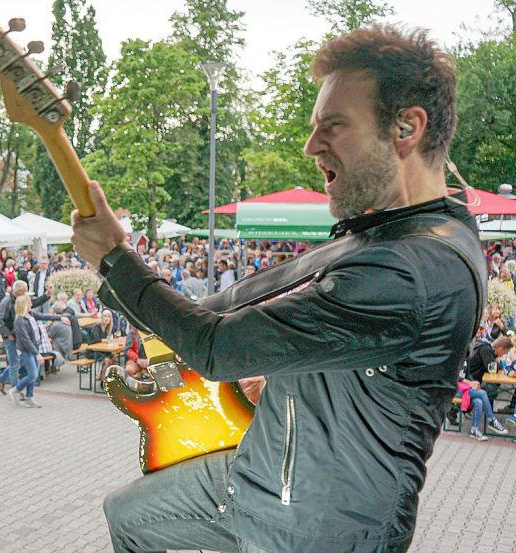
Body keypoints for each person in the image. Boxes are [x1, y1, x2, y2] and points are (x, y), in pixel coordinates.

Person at [71, 26, 485, 553]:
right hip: (258, 476)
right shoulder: (384, 232)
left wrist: (113, 258)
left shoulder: (416, 271)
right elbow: (219, 314)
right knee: (127, 515)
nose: (312, 146)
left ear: (407, 127)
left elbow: (218, 346)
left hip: (325, 529)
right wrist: (129, 288)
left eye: (333, 126)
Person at [8, 295, 48, 408]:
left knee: (33, 375)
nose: (31, 304)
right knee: (33, 375)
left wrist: (61, 317)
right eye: (29, 303)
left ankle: (29, 397)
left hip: (35, 347)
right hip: (26, 350)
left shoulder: (30, 315)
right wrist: (37, 354)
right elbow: (25, 339)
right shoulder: (19, 320)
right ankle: (15, 390)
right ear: (24, 305)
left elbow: (44, 316)